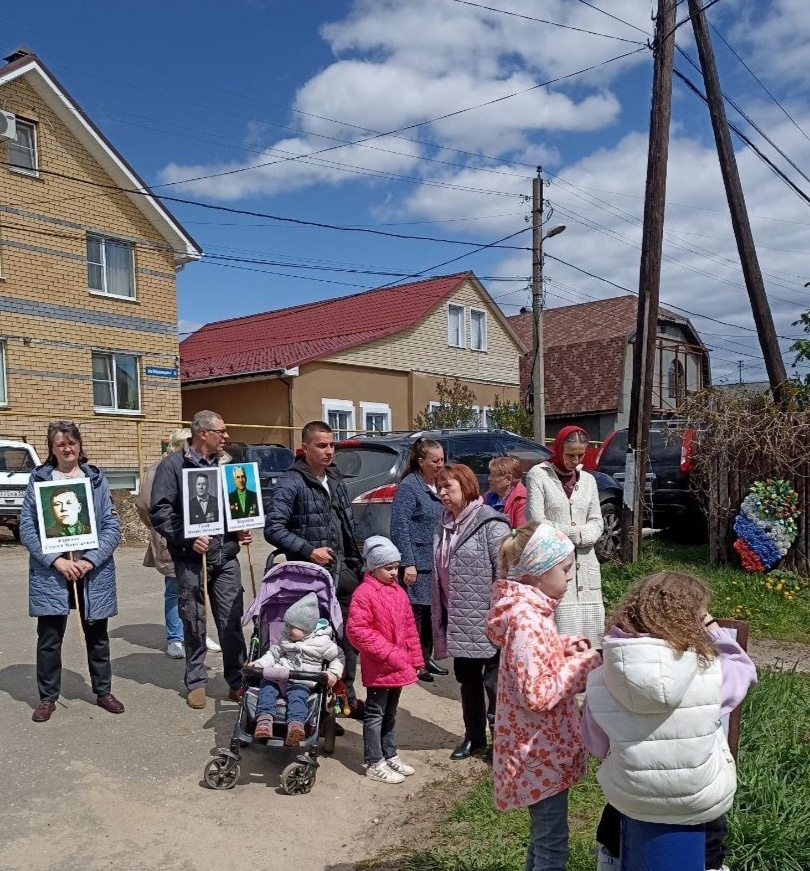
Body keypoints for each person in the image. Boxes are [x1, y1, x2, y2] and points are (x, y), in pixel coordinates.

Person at [582, 572, 757, 871]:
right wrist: (713, 629)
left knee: (617, 814)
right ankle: (712, 865)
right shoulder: (712, 673)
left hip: (632, 796)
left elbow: (596, 746)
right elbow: (744, 669)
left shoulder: (600, 680)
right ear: (693, 621)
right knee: (711, 831)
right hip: (698, 796)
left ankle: (612, 859)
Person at [486, 522, 602, 871]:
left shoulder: (533, 614)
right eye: (565, 570)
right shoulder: (527, 621)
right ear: (537, 573)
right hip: (538, 753)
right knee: (553, 846)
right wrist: (585, 664)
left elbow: (536, 659)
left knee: (543, 838)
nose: (569, 578)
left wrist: (570, 646)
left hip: (538, 749)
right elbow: (536, 693)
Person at [20, 420, 125, 722]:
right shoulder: (40, 479)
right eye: (60, 444)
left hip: (91, 573)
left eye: (71, 442)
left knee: (98, 636)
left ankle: (103, 691)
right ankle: (47, 697)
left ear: (79, 445)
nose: (67, 448)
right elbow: (28, 527)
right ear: (51, 449)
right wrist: (56, 560)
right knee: (49, 638)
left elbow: (111, 526)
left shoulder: (95, 479)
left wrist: (90, 560)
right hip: (53, 573)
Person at [150, 410, 251, 710]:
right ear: (202, 433)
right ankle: (196, 681)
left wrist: (239, 530)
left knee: (231, 619)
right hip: (191, 558)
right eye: (221, 431)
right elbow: (160, 511)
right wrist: (187, 537)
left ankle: (237, 680)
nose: (226, 436)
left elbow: (233, 506)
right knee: (193, 619)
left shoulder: (226, 466)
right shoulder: (172, 466)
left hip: (226, 556)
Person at [264, 420, 365, 715]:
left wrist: (357, 563)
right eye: (321, 445)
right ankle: (310, 704)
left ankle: (345, 696)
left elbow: (347, 524)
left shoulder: (335, 479)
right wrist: (309, 550)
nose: (329, 451)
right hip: (310, 577)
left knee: (348, 638)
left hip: (344, 569)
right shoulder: (291, 482)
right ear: (305, 448)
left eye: (332, 445)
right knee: (314, 640)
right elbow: (273, 529)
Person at [433, 463, 510, 760]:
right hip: (459, 619)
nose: (442, 493)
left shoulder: (492, 525)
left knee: (494, 684)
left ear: (466, 487)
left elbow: (505, 575)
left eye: (448, 487)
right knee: (467, 680)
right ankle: (474, 736)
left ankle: (500, 742)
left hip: (488, 621)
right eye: (439, 488)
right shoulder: (444, 523)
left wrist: (498, 616)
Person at [136, 428, 221, 659]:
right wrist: (161, 530)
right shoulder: (162, 468)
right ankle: (176, 638)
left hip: (200, 537)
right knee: (175, 587)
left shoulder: (201, 465)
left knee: (199, 583)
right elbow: (145, 505)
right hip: (171, 537)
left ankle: (198, 632)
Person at [347, 536, 424, 784]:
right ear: (373, 568)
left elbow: (410, 627)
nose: (394, 573)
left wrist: (415, 657)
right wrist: (389, 652)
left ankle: (389, 753)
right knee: (375, 713)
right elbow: (357, 630)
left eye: (396, 567)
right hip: (380, 665)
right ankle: (373, 761)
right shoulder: (364, 593)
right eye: (388, 568)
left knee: (391, 713)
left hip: (399, 664)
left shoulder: (399, 592)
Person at [525, 425, 605, 648]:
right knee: (561, 645)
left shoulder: (588, 480)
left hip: (587, 569)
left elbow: (597, 521)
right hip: (556, 568)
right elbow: (536, 521)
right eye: (570, 454)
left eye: (581, 455)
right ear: (559, 449)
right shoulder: (538, 475)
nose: (575, 460)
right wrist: (576, 534)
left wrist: (586, 535)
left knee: (590, 649)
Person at [247, 592, 345, 746]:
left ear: (307, 629)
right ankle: (264, 721)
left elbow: (338, 657)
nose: (287, 629)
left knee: (298, 697)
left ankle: (296, 725)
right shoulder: (286, 638)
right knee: (267, 689)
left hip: (303, 680)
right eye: (287, 624)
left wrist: (333, 673)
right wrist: (260, 664)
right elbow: (273, 654)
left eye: (293, 627)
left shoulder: (321, 642)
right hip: (278, 676)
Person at [389, 437, 447, 683]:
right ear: (421, 461)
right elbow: (399, 526)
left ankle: (426, 657)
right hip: (418, 562)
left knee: (433, 612)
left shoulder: (439, 485)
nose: (440, 465)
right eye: (435, 461)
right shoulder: (410, 487)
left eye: (443, 459)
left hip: (436, 560)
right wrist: (407, 563)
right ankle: (414, 661)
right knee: (417, 615)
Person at [483, 456, 527, 528]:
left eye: (493, 475)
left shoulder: (522, 500)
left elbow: (520, 534)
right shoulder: (487, 497)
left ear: (508, 480)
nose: (489, 478)